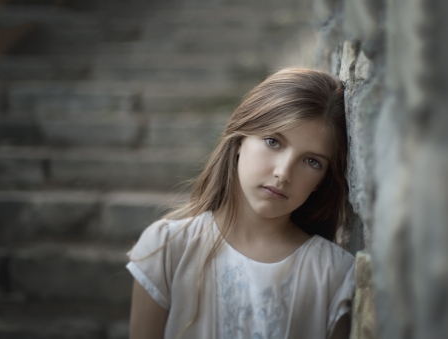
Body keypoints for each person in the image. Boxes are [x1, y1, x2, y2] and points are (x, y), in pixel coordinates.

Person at [127, 68, 355, 339]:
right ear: (239, 141)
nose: (283, 173)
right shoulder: (168, 247)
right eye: (273, 141)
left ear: (322, 180)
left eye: (312, 161)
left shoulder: (334, 274)